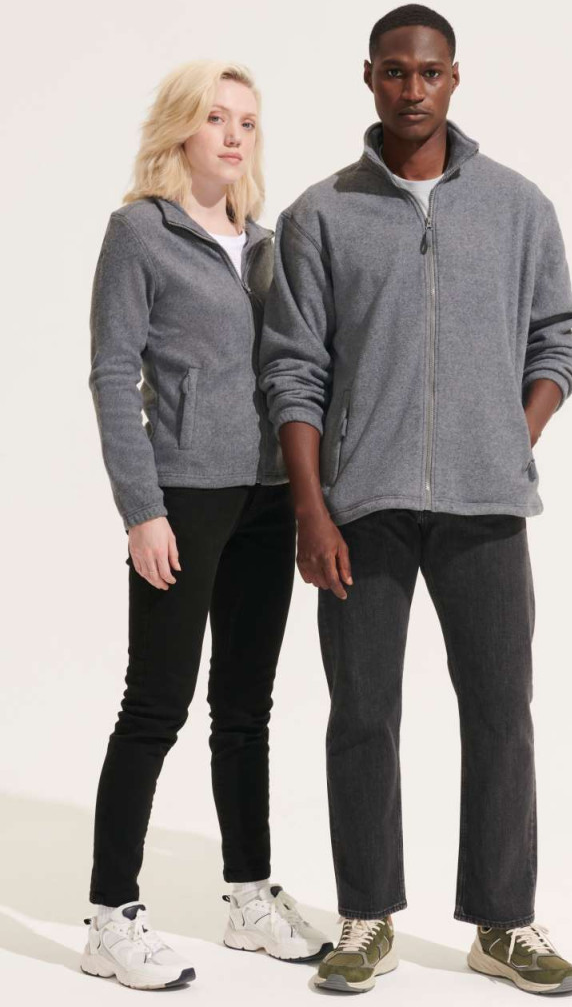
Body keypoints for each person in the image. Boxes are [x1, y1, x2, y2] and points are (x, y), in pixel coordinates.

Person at [258, 4, 572, 997]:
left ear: (455, 78)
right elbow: (293, 371)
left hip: (486, 506)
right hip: (362, 506)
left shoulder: (518, 206)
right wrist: (311, 510)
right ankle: (367, 917)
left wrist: (510, 436)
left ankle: (503, 921)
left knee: (500, 711)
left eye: (429, 71)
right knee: (363, 712)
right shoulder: (321, 214)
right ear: (369, 78)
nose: (413, 88)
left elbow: (557, 339)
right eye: (395, 71)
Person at [82, 58, 331, 991]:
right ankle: (110, 917)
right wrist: (142, 509)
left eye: (248, 123)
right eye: (217, 118)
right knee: (156, 704)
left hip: (268, 496)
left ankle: (248, 897)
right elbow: (113, 374)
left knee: (246, 707)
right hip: (185, 496)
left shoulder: (266, 246)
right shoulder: (139, 233)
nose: (233, 136)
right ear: (181, 128)